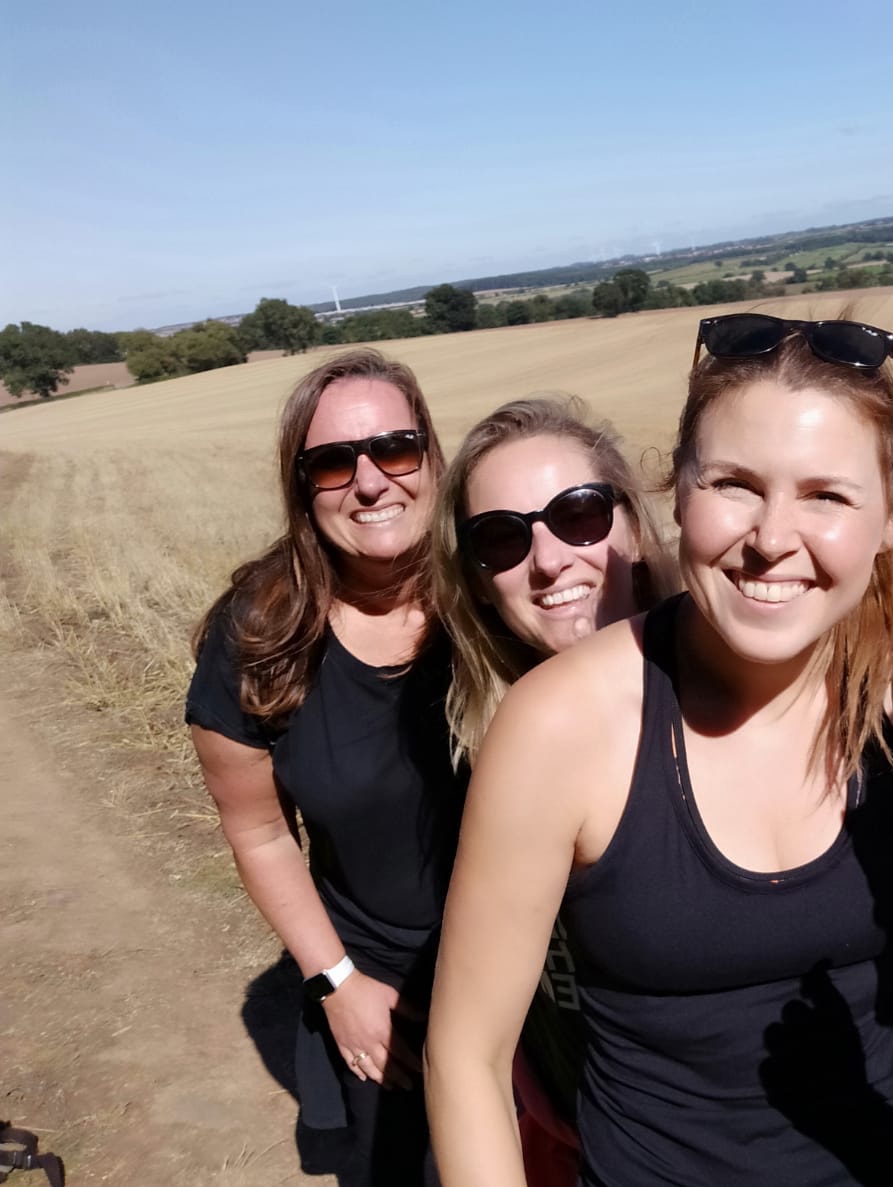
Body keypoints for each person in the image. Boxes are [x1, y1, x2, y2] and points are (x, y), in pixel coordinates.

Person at [426, 312, 893, 1186]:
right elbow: (466, 1058)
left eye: (826, 495)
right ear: (676, 491)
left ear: (888, 516)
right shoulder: (561, 725)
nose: (773, 537)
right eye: (734, 484)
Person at [186, 348, 463, 1186]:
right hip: (388, 987)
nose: (370, 481)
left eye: (395, 448)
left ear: (432, 455)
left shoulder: (500, 585)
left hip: (554, 976)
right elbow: (260, 831)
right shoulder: (259, 636)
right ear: (302, 485)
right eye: (334, 462)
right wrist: (338, 983)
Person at [430, 395, 673, 1183]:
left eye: (578, 515)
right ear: (477, 579)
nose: (547, 559)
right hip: (570, 1143)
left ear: (633, 528)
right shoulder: (473, 741)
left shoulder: (742, 708)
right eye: (501, 538)